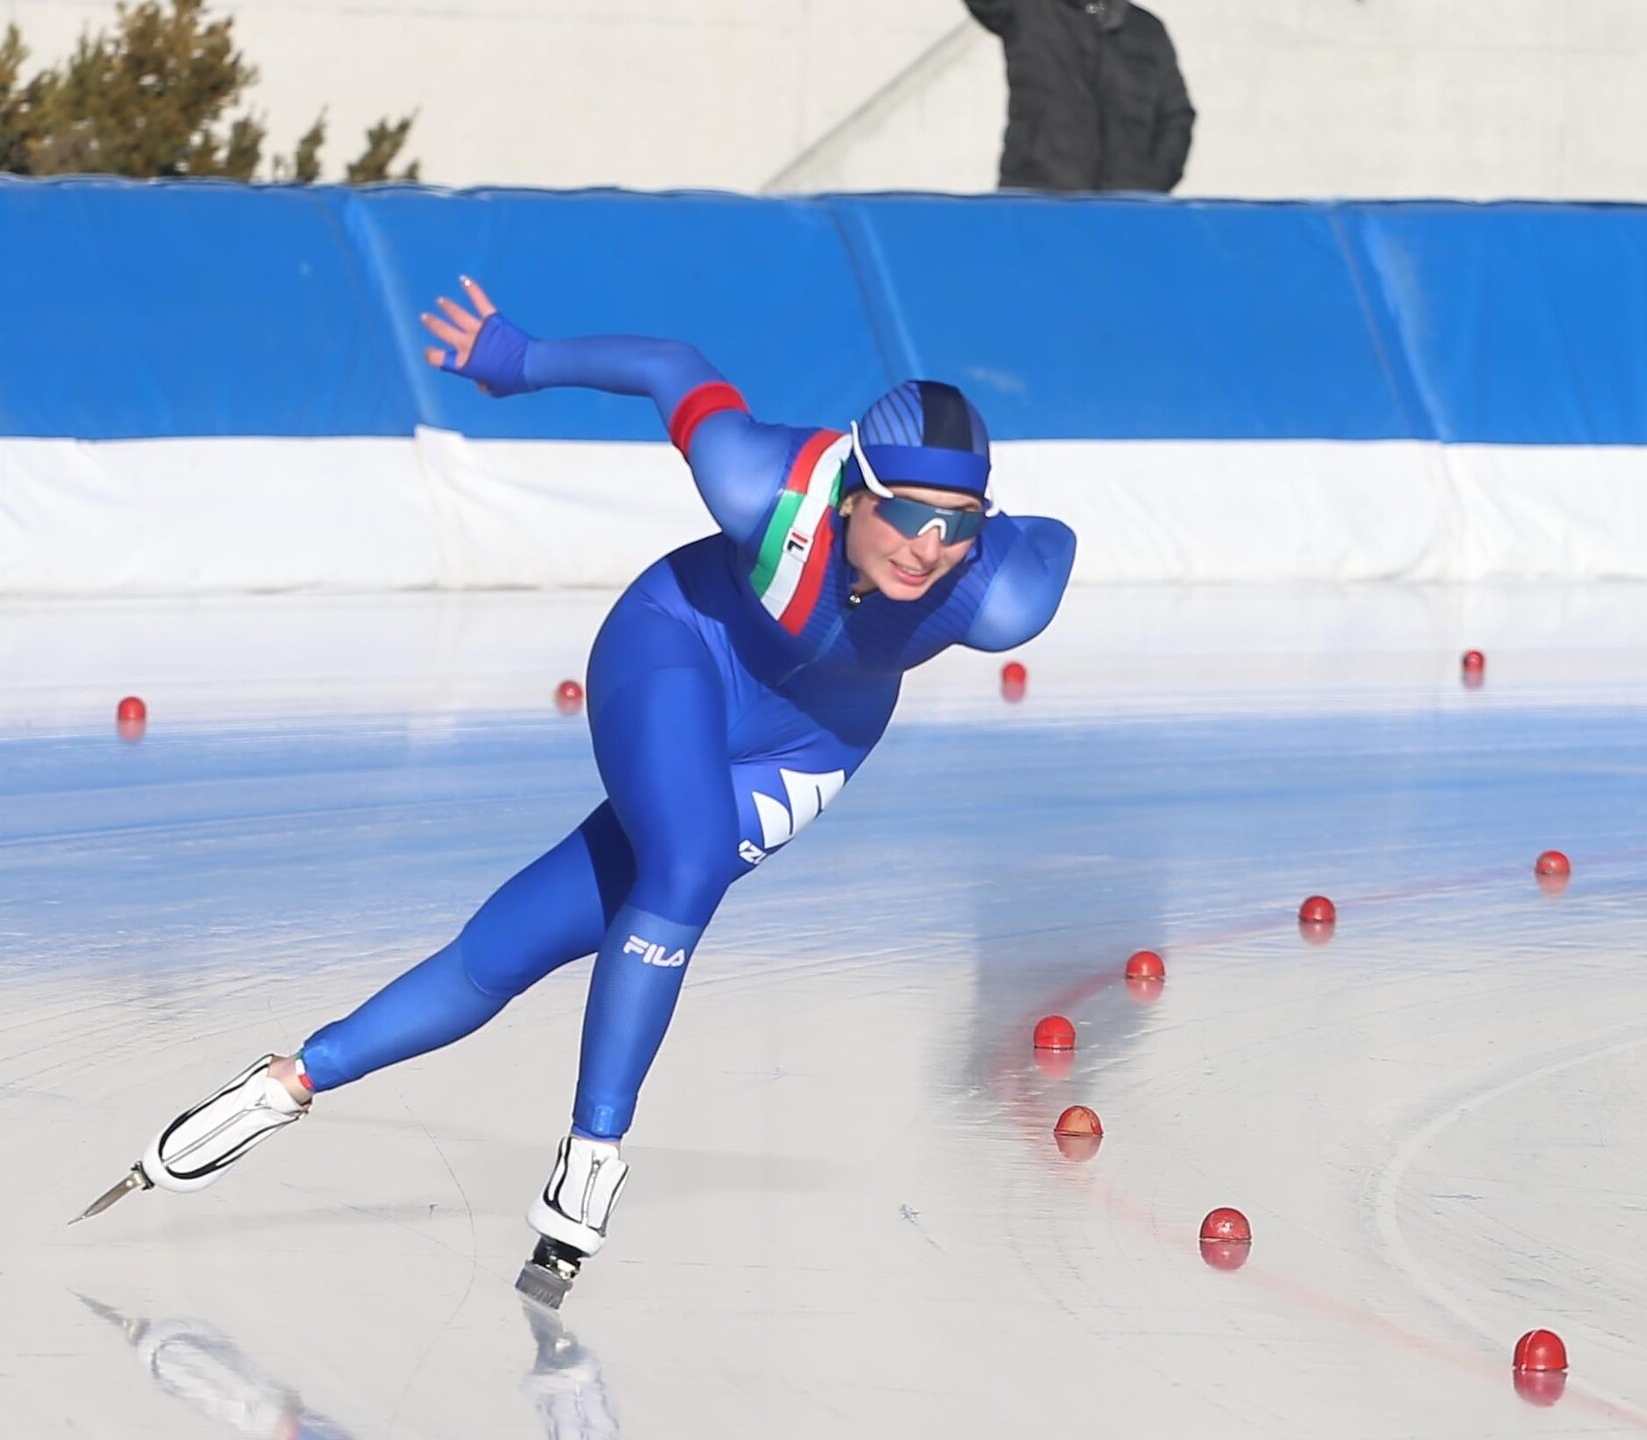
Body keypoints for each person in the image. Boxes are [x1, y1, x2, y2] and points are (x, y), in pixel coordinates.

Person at [79, 277, 1078, 1309]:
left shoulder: (998, 593)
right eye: (908, 512)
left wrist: (1003, 537)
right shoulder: (760, 483)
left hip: (813, 741)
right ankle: (594, 1154)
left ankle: (291, 1080)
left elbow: (1053, 542)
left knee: (527, 940)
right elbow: (671, 366)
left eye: (959, 525)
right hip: (681, 649)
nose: (929, 547)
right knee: (684, 865)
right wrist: (519, 358)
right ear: (853, 491)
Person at [965, 0, 1195, 193]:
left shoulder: (1147, 31)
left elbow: (1176, 116)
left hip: (1124, 215)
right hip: (1037, 201)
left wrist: (1148, 182)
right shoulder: (1030, 9)